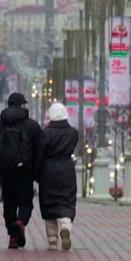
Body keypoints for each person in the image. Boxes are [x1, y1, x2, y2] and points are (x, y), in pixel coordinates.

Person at [0, 92, 42, 249]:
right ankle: (20, 223)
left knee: (9, 204)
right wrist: (38, 173)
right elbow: (39, 151)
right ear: (22, 105)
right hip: (25, 171)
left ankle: (13, 238)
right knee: (25, 203)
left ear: (8, 104)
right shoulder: (32, 126)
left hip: (5, 171)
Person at [35, 103, 78, 251]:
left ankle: (52, 239)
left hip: (48, 171)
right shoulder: (73, 133)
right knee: (66, 200)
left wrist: (36, 173)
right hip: (67, 170)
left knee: (49, 203)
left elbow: (39, 154)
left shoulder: (45, 133)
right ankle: (66, 226)